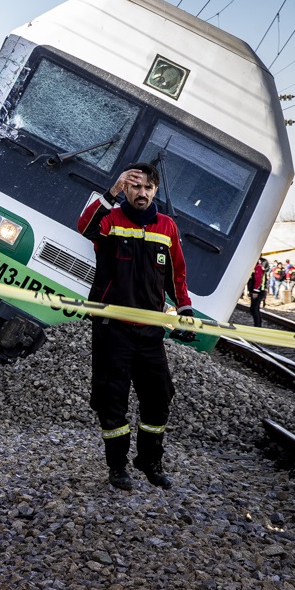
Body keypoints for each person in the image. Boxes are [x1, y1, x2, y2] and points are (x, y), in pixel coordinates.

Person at [77, 162, 193, 491]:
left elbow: (177, 275)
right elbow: (85, 228)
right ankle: (118, 467)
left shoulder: (167, 227)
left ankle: (149, 460)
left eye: (147, 188)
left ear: (155, 191)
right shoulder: (111, 220)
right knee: (111, 400)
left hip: (150, 332)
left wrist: (185, 311)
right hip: (112, 330)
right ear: (126, 190)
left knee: (159, 399)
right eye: (134, 187)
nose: (141, 193)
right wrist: (111, 190)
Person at [248, 257, 268, 327]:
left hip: (258, 292)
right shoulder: (258, 267)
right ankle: (257, 325)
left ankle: (257, 325)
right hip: (259, 291)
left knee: (254, 309)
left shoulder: (258, 267)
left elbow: (258, 280)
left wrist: (255, 291)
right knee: (253, 309)